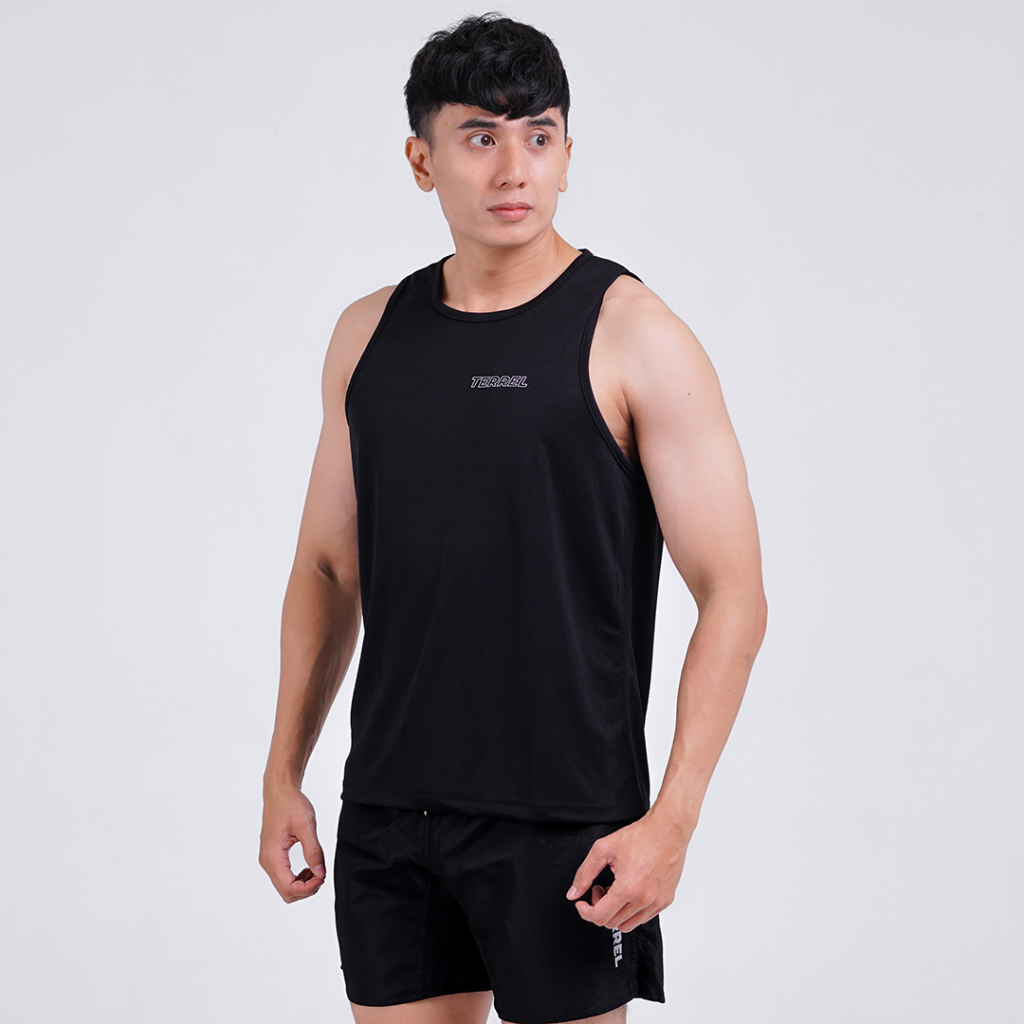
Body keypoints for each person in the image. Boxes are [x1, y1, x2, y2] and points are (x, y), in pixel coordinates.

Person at [259, 12, 767, 1024]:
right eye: (480, 136)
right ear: (422, 159)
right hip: (392, 812)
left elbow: (734, 595)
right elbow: (326, 568)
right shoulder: (369, 334)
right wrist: (284, 773)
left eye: (538, 135)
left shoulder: (635, 335)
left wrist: (671, 820)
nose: (513, 168)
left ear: (568, 153)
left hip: (567, 824)